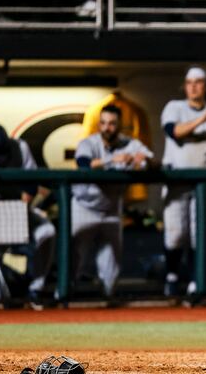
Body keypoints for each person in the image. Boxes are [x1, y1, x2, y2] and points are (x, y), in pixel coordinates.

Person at [0, 124, 56, 307]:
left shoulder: (20, 147)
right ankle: (0, 305)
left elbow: (31, 185)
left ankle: (35, 289)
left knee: (47, 231)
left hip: (16, 206)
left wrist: (18, 215)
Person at [72, 105, 154, 301]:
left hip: (111, 207)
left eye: (111, 123)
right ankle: (66, 300)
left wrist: (141, 160)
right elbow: (83, 163)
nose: (107, 127)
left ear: (119, 125)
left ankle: (108, 302)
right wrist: (112, 160)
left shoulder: (129, 143)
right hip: (85, 206)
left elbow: (150, 160)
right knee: (75, 259)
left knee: (111, 263)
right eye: (103, 123)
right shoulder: (89, 143)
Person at [160, 66, 206, 297]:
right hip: (176, 180)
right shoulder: (174, 107)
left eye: (198, 82)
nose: (193, 86)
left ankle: (194, 281)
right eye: (189, 82)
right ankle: (171, 277)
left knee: (197, 233)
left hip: (203, 181)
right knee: (176, 233)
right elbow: (175, 132)